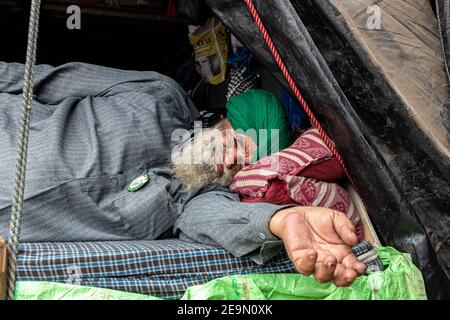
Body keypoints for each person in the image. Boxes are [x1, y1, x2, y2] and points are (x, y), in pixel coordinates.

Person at [0, 62, 366, 286]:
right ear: (223, 122)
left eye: (243, 164)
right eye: (239, 141)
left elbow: (223, 219)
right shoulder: (160, 93)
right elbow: (42, 80)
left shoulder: (196, 198)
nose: (232, 157)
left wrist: (280, 221)